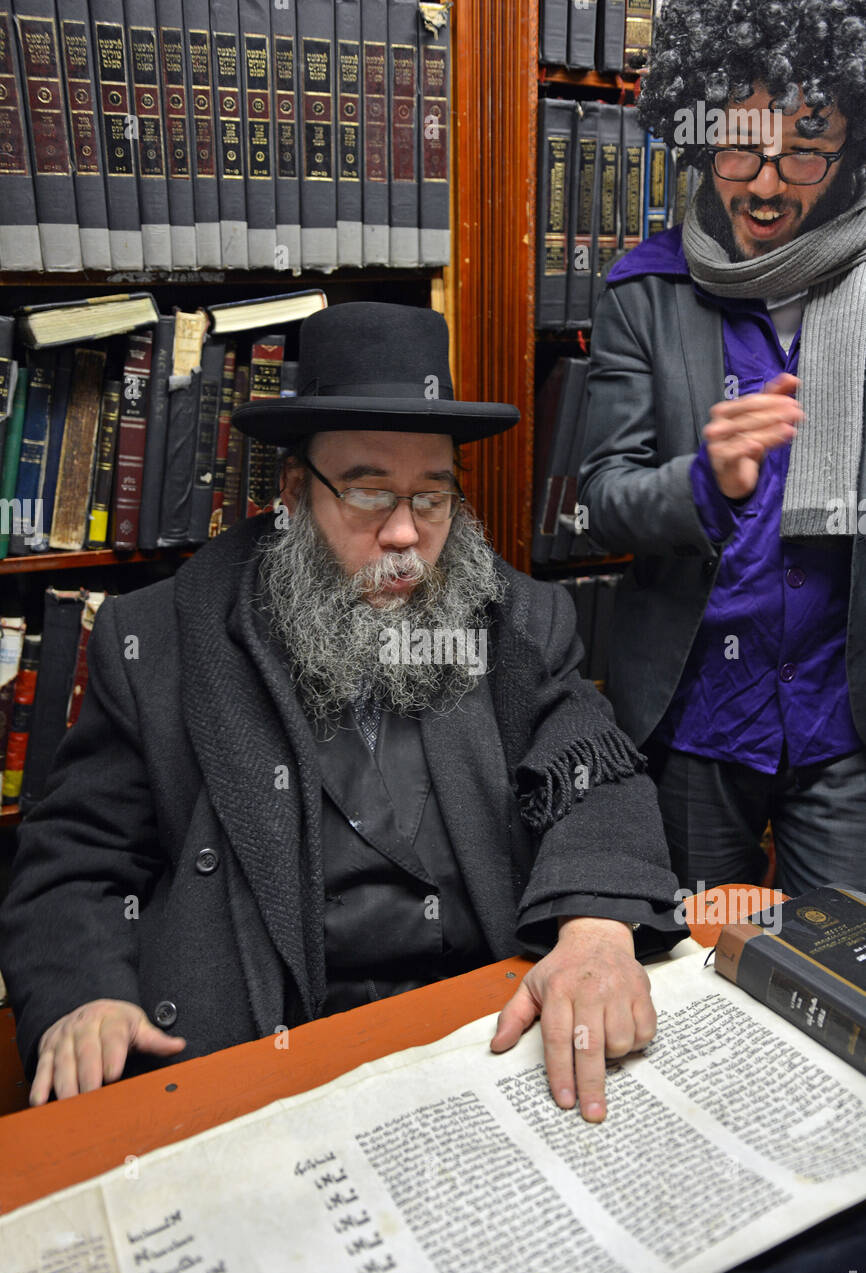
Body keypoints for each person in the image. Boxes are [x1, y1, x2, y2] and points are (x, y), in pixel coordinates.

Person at [0, 301, 684, 1119]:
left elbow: (594, 769)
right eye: (367, 494)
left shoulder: (515, 622)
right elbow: (76, 857)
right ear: (294, 491)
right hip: (269, 1057)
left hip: (484, 1036)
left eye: (432, 499)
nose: (404, 535)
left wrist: (596, 930)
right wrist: (88, 997)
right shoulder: (160, 641)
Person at [578, 0, 866, 898]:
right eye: (742, 145)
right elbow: (599, 502)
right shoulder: (644, 293)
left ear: (853, 145)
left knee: (844, 974)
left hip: (842, 716)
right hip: (700, 716)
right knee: (696, 965)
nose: (769, 184)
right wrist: (704, 481)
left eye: (807, 146)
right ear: (700, 140)